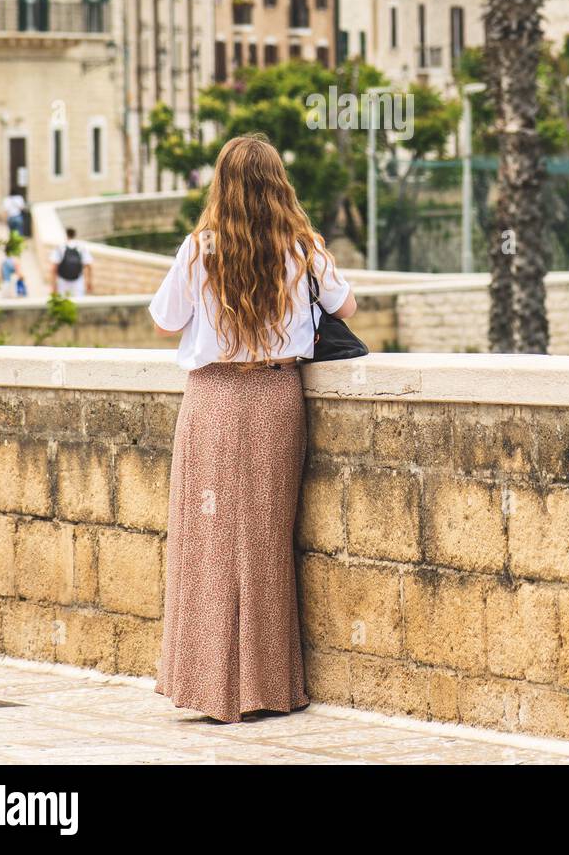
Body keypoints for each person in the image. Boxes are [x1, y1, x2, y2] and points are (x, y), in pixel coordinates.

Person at [148, 133, 356, 724]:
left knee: (207, 542)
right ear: (278, 185)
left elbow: (166, 321)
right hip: (275, 399)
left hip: (213, 399)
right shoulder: (304, 249)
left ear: (221, 185)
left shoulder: (200, 250)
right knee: (265, 544)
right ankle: (269, 686)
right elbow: (345, 308)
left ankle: (208, 687)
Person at [50, 227, 93, 297]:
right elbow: (89, 266)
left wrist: (53, 285)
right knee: (78, 303)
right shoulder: (82, 248)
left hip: (63, 282)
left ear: (66, 235)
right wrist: (89, 282)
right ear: (75, 235)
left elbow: (53, 268)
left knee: (62, 302)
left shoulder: (60, 247)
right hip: (78, 281)